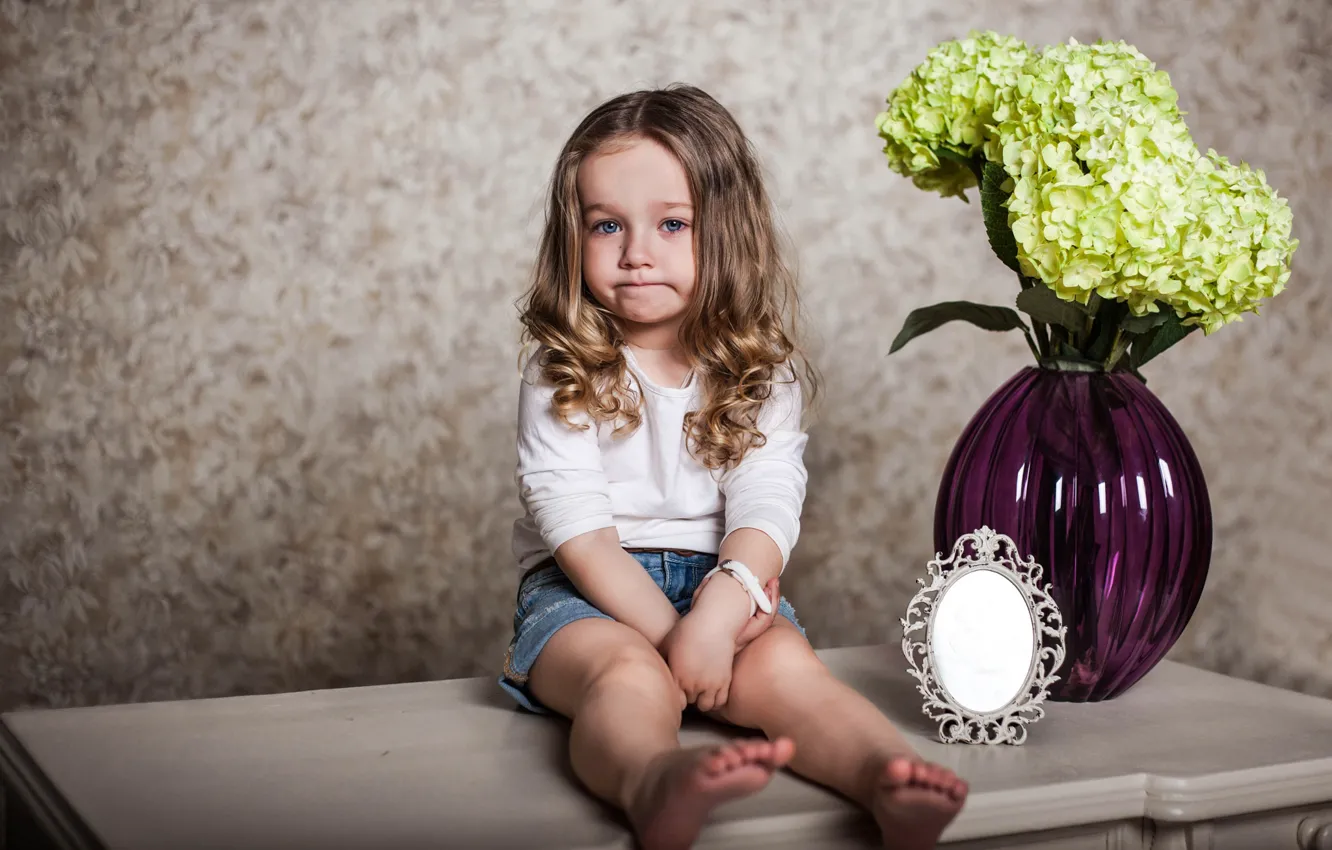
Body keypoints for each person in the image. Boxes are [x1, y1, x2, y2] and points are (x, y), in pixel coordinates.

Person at [497, 83, 968, 850]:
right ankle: (652, 781)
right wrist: (673, 637)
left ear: (727, 233)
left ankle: (890, 777)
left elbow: (767, 503)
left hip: (725, 584)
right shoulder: (563, 371)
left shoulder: (759, 372)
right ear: (572, 238)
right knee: (625, 678)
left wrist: (719, 612)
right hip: (588, 593)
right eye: (606, 225)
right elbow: (575, 527)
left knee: (792, 675)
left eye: (672, 224)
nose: (637, 251)